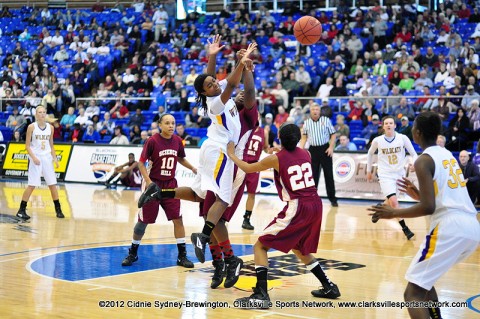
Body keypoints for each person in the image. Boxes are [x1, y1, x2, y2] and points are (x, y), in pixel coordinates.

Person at [138, 36, 258, 288]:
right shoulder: (217, 101)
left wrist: (213, 56)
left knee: (199, 197)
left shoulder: (226, 101)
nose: (216, 83)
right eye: (212, 85)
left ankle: (159, 192)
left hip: (214, 153)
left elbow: (215, 81)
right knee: (220, 206)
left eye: (215, 82)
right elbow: (232, 84)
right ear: (207, 92)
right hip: (221, 155)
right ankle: (207, 242)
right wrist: (243, 63)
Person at [369, 112, 480, 319]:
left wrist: (393, 212)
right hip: (471, 228)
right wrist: (416, 194)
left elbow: (428, 207)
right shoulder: (447, 155)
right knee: (425, 281)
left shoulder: (423, 160)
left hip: (450, 228)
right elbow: (438, 201)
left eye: (413, 129)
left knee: (412, 293)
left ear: (417, 133)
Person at [227, 123, 340, 309]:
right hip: (315, 204)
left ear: (279, 138)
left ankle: (261, 294)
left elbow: (248, 168)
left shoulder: (275, 158)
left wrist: (231, 154)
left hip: (298, 206)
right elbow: (292, 155)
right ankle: (329, 286)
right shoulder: (306, 153)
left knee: (260, 246)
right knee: (300, 249)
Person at [121, 114, 197, 269]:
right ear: (160, 125)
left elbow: (180, 158)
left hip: (170, 184)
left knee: (178, 219)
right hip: (153, 184)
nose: (171, 126)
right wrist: (148, 183)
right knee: (143, 222)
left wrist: (193, 168)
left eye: (173, 123)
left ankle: (182, 256)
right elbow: (141, 163)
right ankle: (133, 252)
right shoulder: (152, 141)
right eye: (167, 123)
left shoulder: (177, 141)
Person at [367, 115, 417, 240]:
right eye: (386, 123)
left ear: (395, 125)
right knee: (394, 202)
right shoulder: (378, 140)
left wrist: (414, 164)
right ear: (383, 126)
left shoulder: (403, 138)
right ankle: (405, 229)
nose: (389, 125)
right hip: (385, 174)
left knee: (390, 200)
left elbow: (414, 153)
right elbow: (369, 153)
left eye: (391, 123)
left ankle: (379, 209)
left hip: (399, 174)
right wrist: (369, 170)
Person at [15, 105, 64, 221]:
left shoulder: (50, 128)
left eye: (44, 112)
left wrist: (55, 159)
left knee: (52, 184)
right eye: (40, 112)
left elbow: (51, 145)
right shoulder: (31, 127)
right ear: (36, 114)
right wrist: (33, 157)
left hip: (47, 158)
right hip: (35, 158)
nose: (42, 114)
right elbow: (27, 146)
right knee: (32, 185)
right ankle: (21, 209)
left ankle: (58, 210)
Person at [299, 103, 338, 207]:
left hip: (325, 149)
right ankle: (312, 198)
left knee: (328, 175)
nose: (315, 111)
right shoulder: (306, 123)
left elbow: (333, 134)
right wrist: (300, 150)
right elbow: (304, 138)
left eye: (317, 109)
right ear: (310, 111)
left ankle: (332, 199)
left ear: (319, 111)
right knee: (313, 176)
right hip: (313, 150)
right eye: (313, 109)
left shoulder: (325, 120)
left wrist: (331, 147)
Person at [241, 125, 268, 230]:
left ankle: (246, 219)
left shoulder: (264, 132)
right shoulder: (244, 128)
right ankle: (223, 217)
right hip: (241, 163)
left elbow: (265, 148)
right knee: (232, 192)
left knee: (251, 194)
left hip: (254, 165)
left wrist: (271, 150)